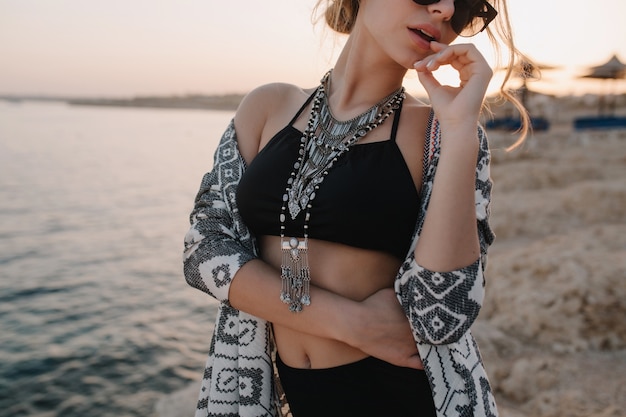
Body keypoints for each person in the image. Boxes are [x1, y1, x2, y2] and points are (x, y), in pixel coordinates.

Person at [183, 0, 528, 416]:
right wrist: (350, 322)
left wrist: (460, 133)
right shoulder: (268, 108)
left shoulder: (441, 133)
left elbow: (442, 314)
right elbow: (202, 250)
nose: (444, 11)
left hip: (404, 395)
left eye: (466, 6)